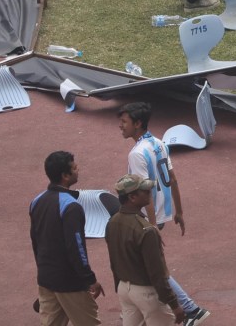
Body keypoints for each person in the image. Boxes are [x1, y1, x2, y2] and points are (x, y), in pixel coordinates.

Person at [118, 102, 208, 324]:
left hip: (149, 219)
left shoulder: (136, 153)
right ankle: (138, 311)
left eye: (124, 122)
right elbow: (173, 179)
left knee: (154, 267)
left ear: (137, 124)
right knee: (147, 266)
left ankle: (190, 309)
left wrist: (149, 224)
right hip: (160, 215)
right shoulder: (159, 143)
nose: (120, 126)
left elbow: (143, 191)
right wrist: (179, 212)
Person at [31, 151, 104, 326]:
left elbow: (35, 241)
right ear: (65, 176)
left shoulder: (37, 201)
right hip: (70, 283)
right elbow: (76, 247)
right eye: (74, 167)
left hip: (46, 279)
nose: (78, 169)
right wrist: (90, 279)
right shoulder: (71, 207)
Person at [106, 174, 185, 326]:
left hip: (124, 289)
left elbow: (114, 261)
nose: (150, 193)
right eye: (145, 191)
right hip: (146, 292)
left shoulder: (113, 222)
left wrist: (119, 286)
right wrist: (174, 304)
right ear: (132, 197)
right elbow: (157, 272)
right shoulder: (146, 230)